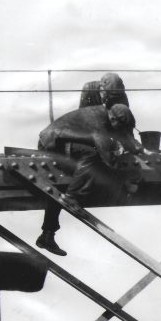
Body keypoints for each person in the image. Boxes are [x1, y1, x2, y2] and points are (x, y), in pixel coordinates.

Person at [36, 103, 142, 256]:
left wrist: (142, 149)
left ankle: (47, 235)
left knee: (63, 184)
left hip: (63, 142)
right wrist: (121, 169)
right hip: (53, 142)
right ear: (113, 119)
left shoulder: (109, 117)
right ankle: (71, 198)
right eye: (118, 127)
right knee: (92, 155)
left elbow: (125, 137)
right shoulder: (98, 119)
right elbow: (106, 154)